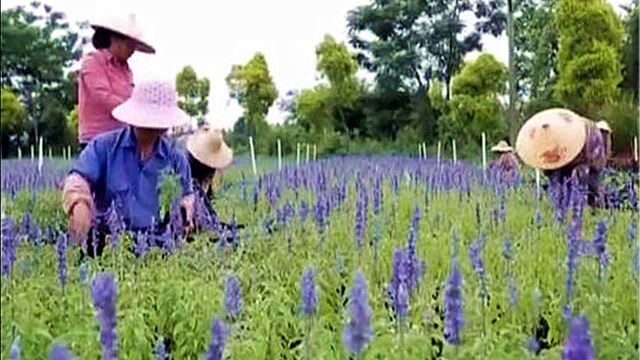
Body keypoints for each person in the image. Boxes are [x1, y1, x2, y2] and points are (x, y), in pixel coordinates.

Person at [63, 80, 194, 256]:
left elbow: (187, 197)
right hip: (109, 245)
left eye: (157, 122)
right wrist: (79, 202)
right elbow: (77, 178)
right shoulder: (104, 147)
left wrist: (187, 211)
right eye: (146, 119)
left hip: (159, 247)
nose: (151, 126)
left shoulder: (176, 159)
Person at [77, 14, 155, 149]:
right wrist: (134, 111)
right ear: (115, 39)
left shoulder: (126, 70)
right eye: (129, 44)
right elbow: (101, 95)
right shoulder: (93, 61)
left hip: (122, 137)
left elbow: (131, 97)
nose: (132, 50)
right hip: (96, 137)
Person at [515, 108, 606, 206]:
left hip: (588, 156)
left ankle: (594, 209)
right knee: (560, 187)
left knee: (590, 188)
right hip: (568, 158)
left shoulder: (584, 132)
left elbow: (590, 163)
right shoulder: (548, 140)